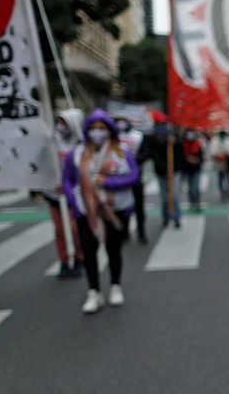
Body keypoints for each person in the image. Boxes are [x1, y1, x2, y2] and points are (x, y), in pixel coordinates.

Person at [62, 109, 140, 314]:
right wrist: (74, 201)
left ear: (109, 131)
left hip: (114, 210)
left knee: (113, 249)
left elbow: (134, 177)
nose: (97, 132)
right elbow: (68, 180)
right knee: (89, 251)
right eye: (94, 128)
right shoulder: (77, 154)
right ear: (87, 130)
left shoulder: (122, 152)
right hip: (87, 211)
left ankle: (115, 286)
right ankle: (93, 292)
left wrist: (108, 182)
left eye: (102, 128)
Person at [43, 108, 86, 278]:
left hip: (73, 194)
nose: (61, 125)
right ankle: (64, 260)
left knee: (74, 229)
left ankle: (78, 257)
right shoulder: (52, 140)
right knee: (60, 230)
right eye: (59, 121)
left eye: (65, 122)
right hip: (54, 194)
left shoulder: (81, 144)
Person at [115, 116, 150, 243]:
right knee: (123, 206)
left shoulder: (138, 136)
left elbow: (146, 153)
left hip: (135, 177)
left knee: (139, 206)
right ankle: (124, 232)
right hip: (120, 178)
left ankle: (141, 231)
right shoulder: (112, 137)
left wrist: (132, 161)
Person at [149, 118, 183, 229]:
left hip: (175, 171)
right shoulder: (155, 137)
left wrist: (175, 143)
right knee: (164, 197)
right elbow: (155, 155)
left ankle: (176, 217)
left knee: (175, 196)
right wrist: (165, 170)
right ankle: (166, 217)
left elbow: (180, 155)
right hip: (161, 172)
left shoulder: (175, 136)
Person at [209, 128, 229, 202]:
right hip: (219, 163)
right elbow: (212, 151)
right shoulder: (214, 140)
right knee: (220, 178)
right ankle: (222, 192)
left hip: (227, 163)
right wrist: (219, 156)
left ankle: (228, 191)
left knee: (228, 178)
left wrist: (224, 155)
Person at [180, 129, 205, 210]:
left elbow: (201, 158)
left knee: (196, 186)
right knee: (190, 187)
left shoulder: (198, 145)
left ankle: (197, 202)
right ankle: (192, 202)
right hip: (187, 169)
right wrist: (187, 159)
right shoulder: (183, 144)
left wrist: (196, 160)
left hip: (196, 168)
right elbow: (181, 157)